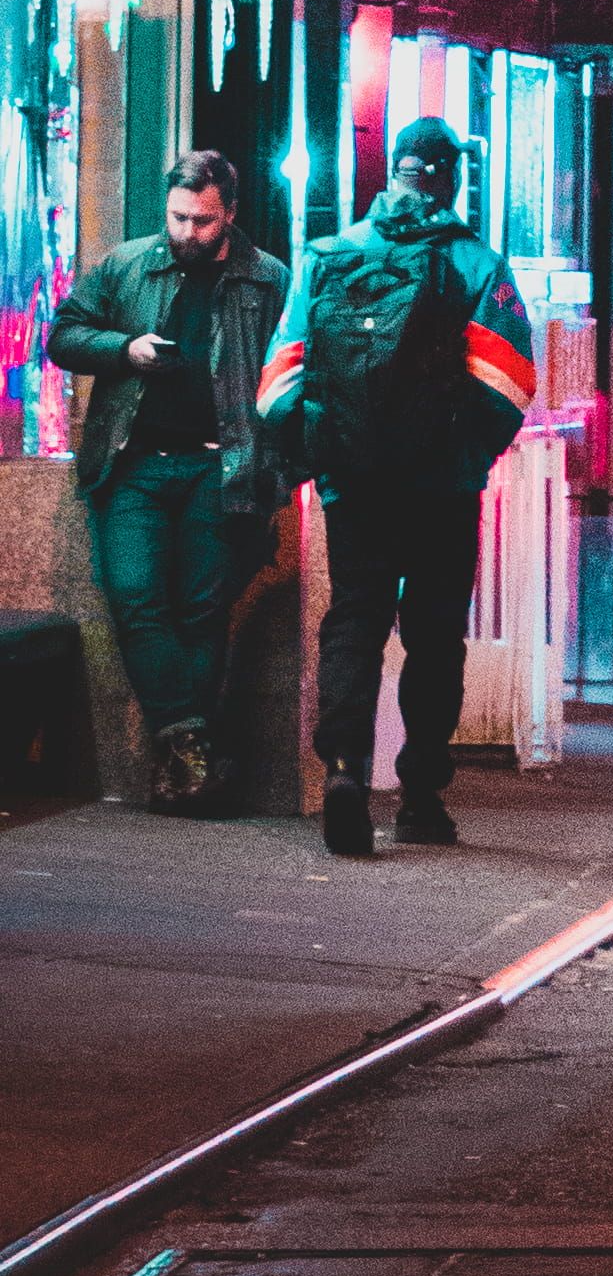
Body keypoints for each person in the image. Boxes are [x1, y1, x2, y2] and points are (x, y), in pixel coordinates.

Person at [259, 115, 538, 856]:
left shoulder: (329, 256)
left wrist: (322, 451)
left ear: (394, 174)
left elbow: (278, 383)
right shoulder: (479, 267)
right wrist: (465, 457)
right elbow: (510, 382)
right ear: (451, 179)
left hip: (354, 485)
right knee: (435, 637)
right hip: (443, 490)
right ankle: (420, 794)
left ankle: (346, 768)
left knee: (354, 621)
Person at [47, 149, 284, 810]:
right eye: (178, 217)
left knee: (200, 614)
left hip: (222, 467)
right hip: (133, 464)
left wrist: (281, 474)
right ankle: (194, 749)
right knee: (134, 596)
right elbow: (63, 335)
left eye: (203, 221)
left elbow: (291, 378)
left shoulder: (266, 280)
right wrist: (125, 351)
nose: (186, 232)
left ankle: (185, 767)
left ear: (230, 214)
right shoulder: (128, 265)